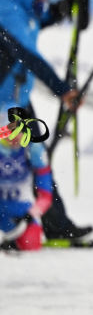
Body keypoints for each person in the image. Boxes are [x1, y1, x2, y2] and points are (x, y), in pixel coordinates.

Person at [0, 0, 89, 240]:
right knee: (16, 163)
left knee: (37, 161)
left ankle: (53, 224)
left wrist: (71, 4)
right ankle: (23, 224)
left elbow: (45, 17)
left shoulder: (25, 9)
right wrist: (62, 89)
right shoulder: (7, 11)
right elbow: (27, 56)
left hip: (19, 101)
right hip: (4, 106)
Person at [0, 106, 52, 251]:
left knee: (31, 244)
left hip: (21, 212)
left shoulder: (34, 150)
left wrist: (30, 215)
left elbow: (46, 195)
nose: (15, 137)